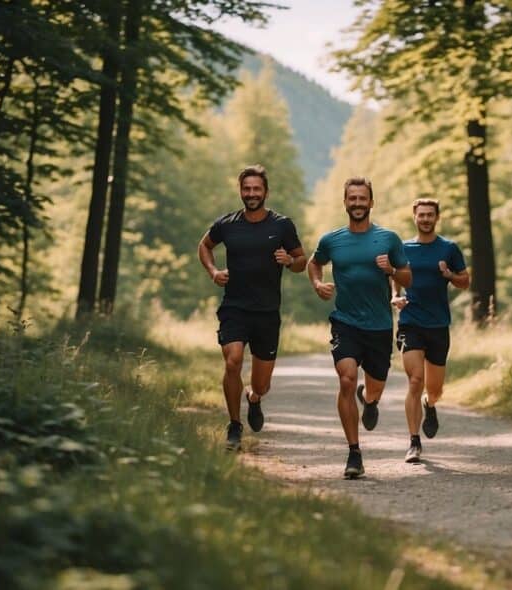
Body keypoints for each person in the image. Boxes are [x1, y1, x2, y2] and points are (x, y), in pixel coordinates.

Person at [308, 177, 411, 478]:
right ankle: (354, 453)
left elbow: (408, 278)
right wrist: (317, 283)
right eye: (351, 198)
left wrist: (391, 270)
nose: (357, 203)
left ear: (371, 202)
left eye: (362, 198)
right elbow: (314, 263)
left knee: (374, 386)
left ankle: (370, 399)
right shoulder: (331, 240)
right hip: (346, 322)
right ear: (345, 202)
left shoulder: (389, 238)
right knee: (346, 380)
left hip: (379, 326)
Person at [197, 165, 306, 451]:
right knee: (232, 360)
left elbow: (301, 262)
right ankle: (234, 425)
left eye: (257, 189)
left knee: (262, 384)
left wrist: (288, 260)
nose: (252, 194)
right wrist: (213, 272)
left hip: (267, 312)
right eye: (247, 189)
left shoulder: (282, 225)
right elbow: (204, 246)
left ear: (266, 192)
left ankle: (254, 398)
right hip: (234, 307)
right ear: (241, 191)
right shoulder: (228, 224)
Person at [391, 199, 469, 463]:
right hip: (410, 321)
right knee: (415, 380)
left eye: (429, 215)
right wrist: (395, 296)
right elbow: (396, 277)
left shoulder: (448, 248)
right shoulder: (402, 248)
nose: (425, 219)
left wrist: (448, 275)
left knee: (434, 389)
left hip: (437, 324)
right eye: (421, 215)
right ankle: (414, 442)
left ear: (437, 217)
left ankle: (430, 404)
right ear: (414, 217)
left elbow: (465, 282)